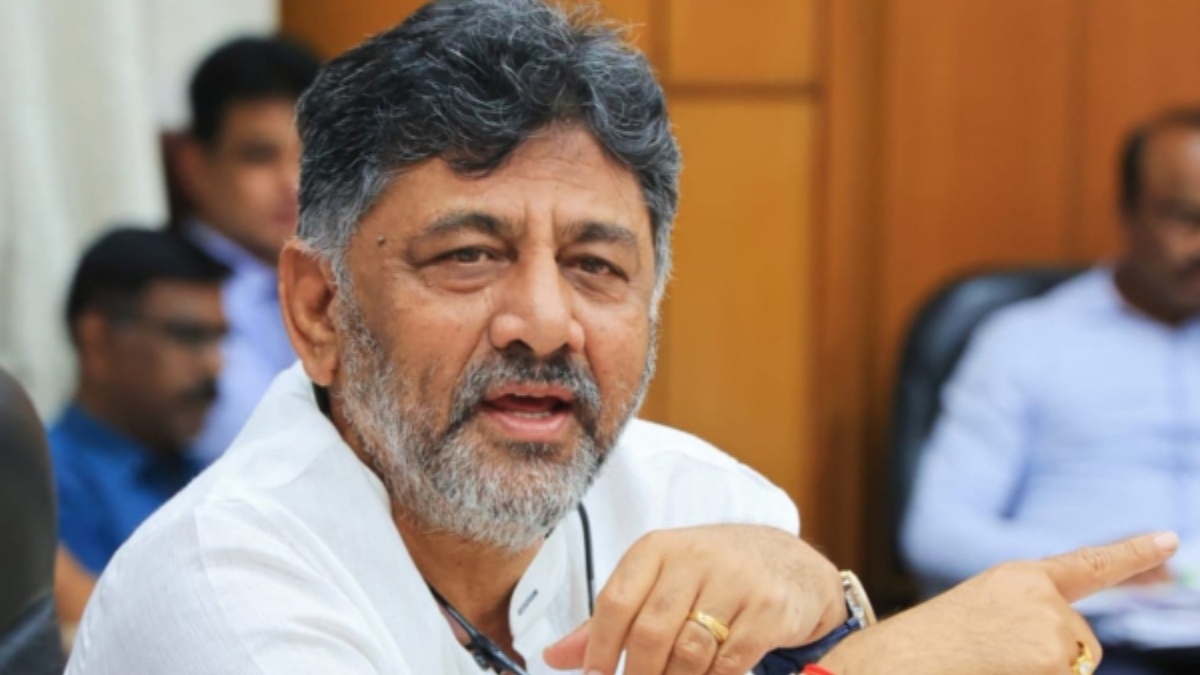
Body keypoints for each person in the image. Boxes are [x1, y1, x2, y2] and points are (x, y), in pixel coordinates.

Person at [65, 2, 1177, 674]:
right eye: (469, 255)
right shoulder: (220, 588)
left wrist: (833, 607)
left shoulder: (703, 505)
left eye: (597, 267)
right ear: (319, 311)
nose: (546, 323)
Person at [902, 108, 1200, 675]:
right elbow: (935, 533)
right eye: (1187, 218)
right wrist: (1092, 567)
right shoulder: (1026, 341)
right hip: (1083, 640)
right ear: (1128, 212)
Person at [49, 228, 229, 626]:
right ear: (97, 339)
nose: (214, 364)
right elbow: (88, 640)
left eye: (219, 339)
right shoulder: (40, 486)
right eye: (188, 336)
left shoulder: (212, 475)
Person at [173, 35, 320, 464]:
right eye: (259, 156)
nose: (292, 182)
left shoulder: (347, 279)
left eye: (309, 156)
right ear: (194, 164)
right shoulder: (161, 297)